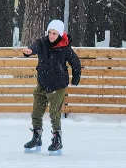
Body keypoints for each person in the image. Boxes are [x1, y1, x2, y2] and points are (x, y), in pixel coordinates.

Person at [21, 19, 82, 155]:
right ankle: (37, 137)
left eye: (54, 33)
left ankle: (57, 140)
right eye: (50, 32)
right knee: (36, 112)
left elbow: (76, 63)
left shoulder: (65, 47)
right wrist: (29, 51)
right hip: (42, 83)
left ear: (60, 34)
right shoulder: (42, 43)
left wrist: (75, 79)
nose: (51, 36)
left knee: (54, 113)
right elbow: (34, 47)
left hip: (58, 85)